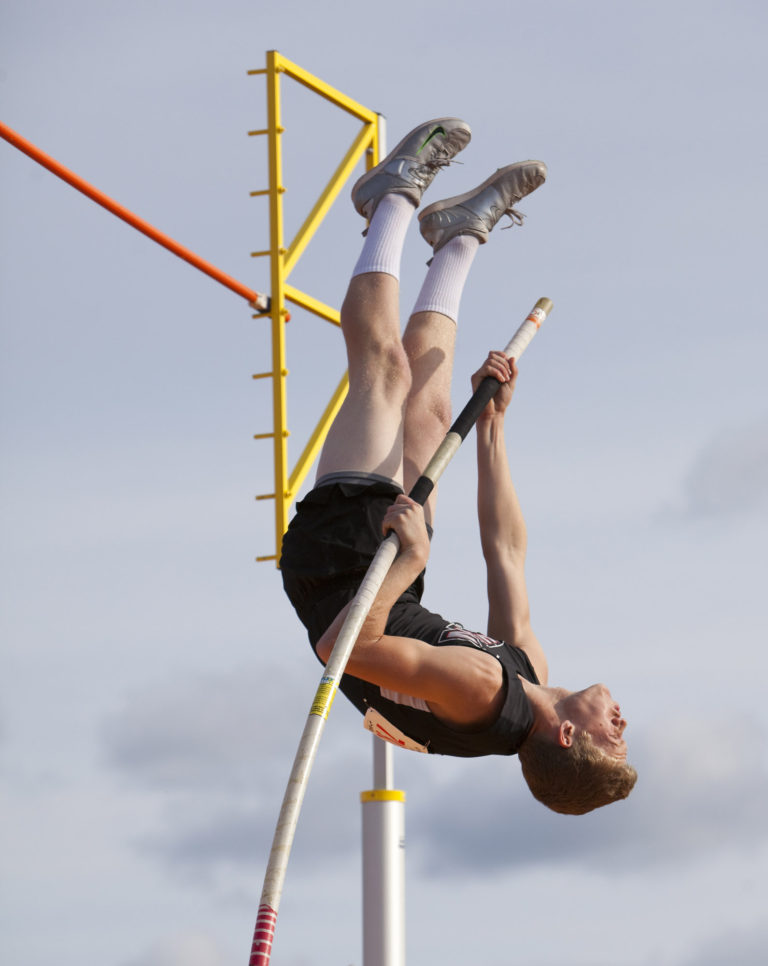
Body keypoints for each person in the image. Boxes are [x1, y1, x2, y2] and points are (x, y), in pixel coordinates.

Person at [280, 118, 637, 815]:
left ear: (566, 736)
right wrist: (494, 430)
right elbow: (506, 550)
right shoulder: (526, 672)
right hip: (390, 558)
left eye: (611, 740)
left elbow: (341, 649)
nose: (621, 726)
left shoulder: (483, 694)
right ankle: (459, 235)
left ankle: (389, 200)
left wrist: (410, 560)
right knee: (430, 403)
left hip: (343, 567)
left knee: (382, 372)